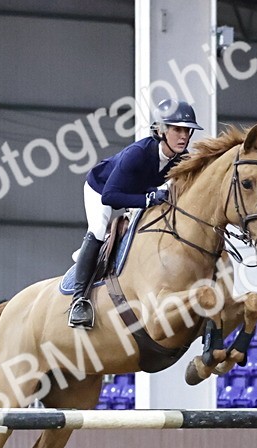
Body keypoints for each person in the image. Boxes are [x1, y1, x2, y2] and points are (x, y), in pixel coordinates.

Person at [66, 99, 203, 328]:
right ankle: (79, 301)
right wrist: (148, 199)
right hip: (101, 187)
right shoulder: (137, 153)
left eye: (187, 131)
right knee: (99, 229)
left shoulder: (183, 159)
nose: (183, 136)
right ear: (161, 130)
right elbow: (110, 196)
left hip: (138, 193)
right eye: (177, 129)